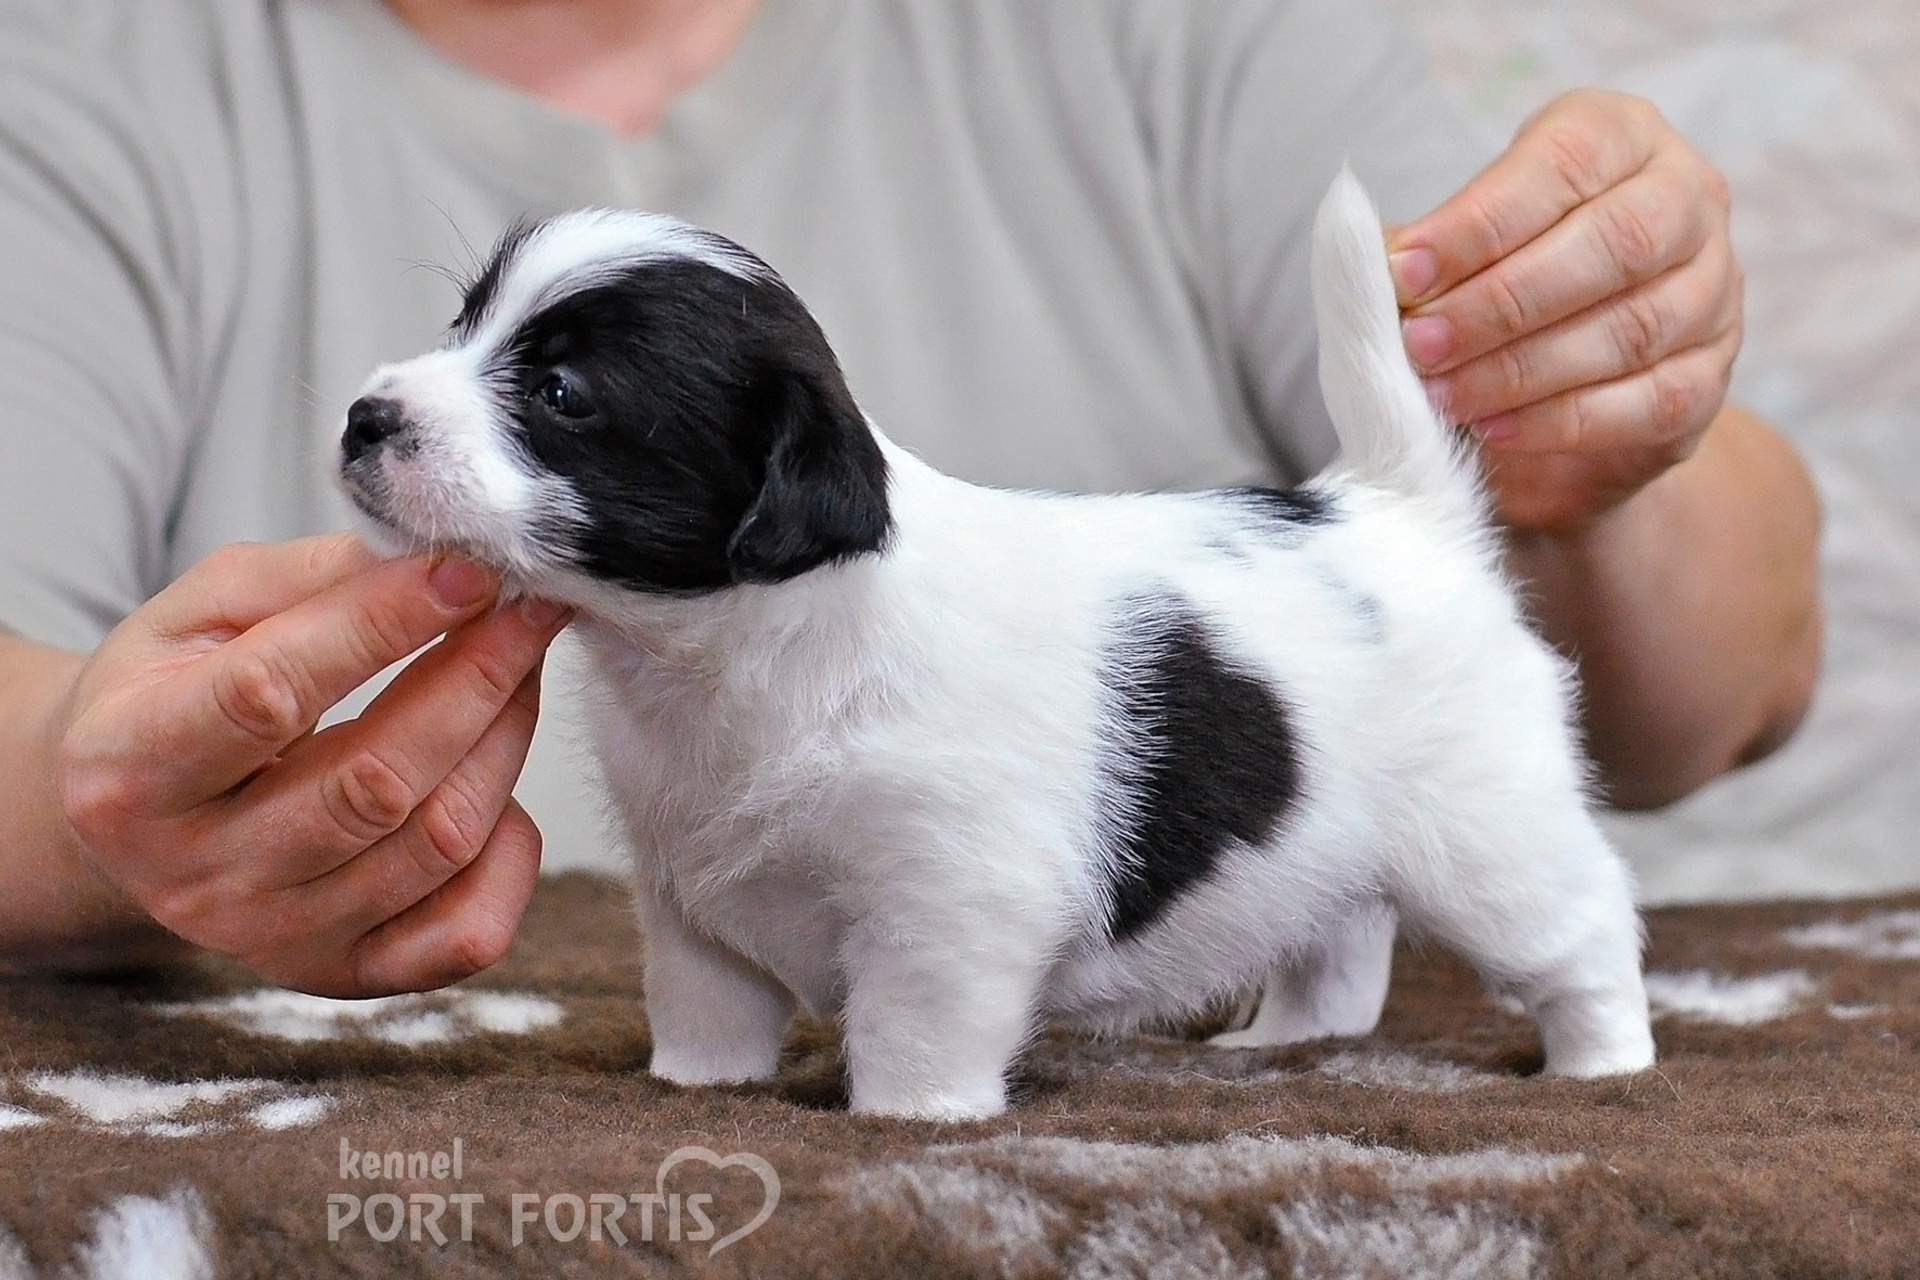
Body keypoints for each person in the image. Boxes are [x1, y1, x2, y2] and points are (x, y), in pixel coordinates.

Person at [0, 0, 1819, 994]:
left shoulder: (1183, 35)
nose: (406, 394)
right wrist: (107, 808)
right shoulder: (84, 86)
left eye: (536, 379)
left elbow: (1727, 682)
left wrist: (1600, 434)